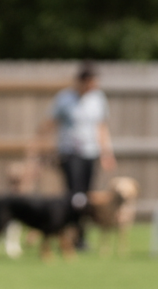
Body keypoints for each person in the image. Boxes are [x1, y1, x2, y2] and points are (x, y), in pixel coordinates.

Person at [37, 61, 117, 249]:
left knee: (86, 196)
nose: (92, 86)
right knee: (74, 195)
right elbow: (51, 122)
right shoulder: (65, 98)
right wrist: (39, 143)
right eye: (90, 82)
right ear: (81, 81)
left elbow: (101, 127)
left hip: (91, 152)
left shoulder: (98, 99)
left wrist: (107, 153)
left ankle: (80, 237)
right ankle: (67, 235)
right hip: (70, 153)